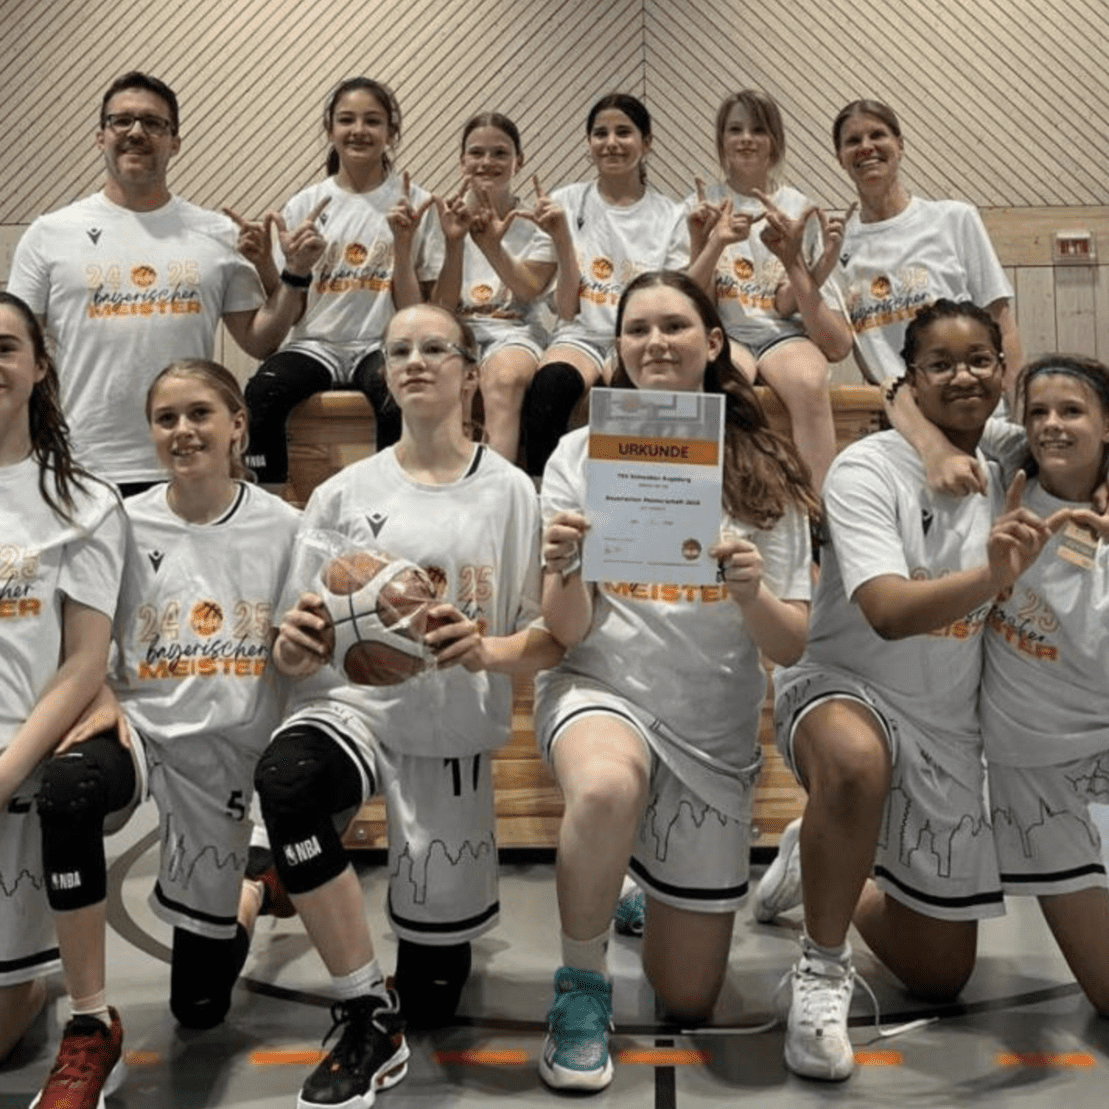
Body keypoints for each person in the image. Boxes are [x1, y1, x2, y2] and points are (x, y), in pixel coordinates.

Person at [256, 303, 561, 1108]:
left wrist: (489, 650)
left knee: (437, 995)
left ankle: (412, 974)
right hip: (356, 709)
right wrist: (294, 649)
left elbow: (548, 635)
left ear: (469, 372)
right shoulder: (343, 494)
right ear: (385, 374)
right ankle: (363, 1005)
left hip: (451, 726)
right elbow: (299, 644)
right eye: (400, 350)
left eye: (436, 348)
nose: (416, 360)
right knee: (287, 782)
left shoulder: (511, 493)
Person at [536, 270, 818, 1091]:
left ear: (715, 342)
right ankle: (580, 987)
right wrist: (564, 566)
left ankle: (632, 884)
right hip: (603, 686)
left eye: (674, 326)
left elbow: (790, 642)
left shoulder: (763, 466)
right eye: (636, 330)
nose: (655, 342)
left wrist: (749, 590)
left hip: (710, 725)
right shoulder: (581, 452)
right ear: (617, 348)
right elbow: (565, 629)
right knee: (604, 788)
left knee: (689, 995)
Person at [759, 300, 1055, 1082]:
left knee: (939, 971)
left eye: (979, 360)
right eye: (940, 364)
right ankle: (819, 975)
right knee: (855, 762)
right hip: (840, 685)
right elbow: (886, 613)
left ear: (1002, 370)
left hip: (946, 725)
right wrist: (990, 574)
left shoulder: (1010, 456)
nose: (963, 374)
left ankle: (814, 864)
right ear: (911, 376)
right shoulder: (866, 468)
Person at [31, 360, 300, 1109]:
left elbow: (305, 654)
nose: (183, 431)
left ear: (237, 423)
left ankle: (250, 884)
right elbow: (79, 633)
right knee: (69, 789)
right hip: (144, 733)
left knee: (199, 1010)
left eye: (199, 414)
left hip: (231, 755)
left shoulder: (285, 528)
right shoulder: (121, 520)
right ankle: (89, 1024)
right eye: (166, 418)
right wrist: (107, 687)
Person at [6, 71, 324, 494]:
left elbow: (261, 341)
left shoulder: (218, 234)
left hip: (188, 465)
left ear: (174, 142)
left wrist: (295, 273)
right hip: (80, 466)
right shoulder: (49, 234)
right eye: (122, 121)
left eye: (153, 123)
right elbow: (16, 348)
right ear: (100, 136)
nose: (136, 132)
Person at [0, 294, 125, 1069]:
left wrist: (9, 767)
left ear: (40, 366)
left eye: (5, 347)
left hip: (19, 759)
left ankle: (50, 992)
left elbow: (85, 663)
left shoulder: (81, 498)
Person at [981, 354, 1109, 1016]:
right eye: (1037, 411)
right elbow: (898, 394)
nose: (1050, 425)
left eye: (1071, 410)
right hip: (1030, 763)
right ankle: (815, 855)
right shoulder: (1003, 472)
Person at [241, 76, 442, 486]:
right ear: (330, 130)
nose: (359, 131)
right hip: (317, 345)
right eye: (346, 120)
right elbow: (291, 310)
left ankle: (392, 508)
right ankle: (271, 509)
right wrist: (278, 264)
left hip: (379, 344)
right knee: (262, 394)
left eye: (372, 121)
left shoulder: (416, 204)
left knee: (396, 397)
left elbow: (415, 313)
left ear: (391, 131)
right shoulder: (306, 205)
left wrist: (402, 244)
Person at [830, 98, 1023, 494]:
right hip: (902, 425)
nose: (866, 146)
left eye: (877, 135)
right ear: (840, 158)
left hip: (979, 417)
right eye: (853, 141)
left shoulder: (953, 219)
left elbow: (1002, 324)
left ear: (900, 145)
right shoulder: (836, 248)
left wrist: (1019, 418)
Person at [687, 90, 853, 490]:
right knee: (723, 382)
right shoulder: (700, 204)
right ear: (721, 141)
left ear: (775, 142)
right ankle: (721, 503)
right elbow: (693, 300)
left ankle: (819, 514)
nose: (746, 138)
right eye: (735, 130)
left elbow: (783, 303)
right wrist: (712, 242)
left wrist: (815, 263)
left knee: (810, 381)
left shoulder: (798, 206)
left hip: (781, 333)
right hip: (724, 333)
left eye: (758, 130)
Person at [520, 93, 688, 476]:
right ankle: (546, 503)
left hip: (636, 336)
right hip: (578, 334)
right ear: (589, 143)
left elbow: (670, 303)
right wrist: (563, 238)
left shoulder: (671, 215)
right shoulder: (564, 202)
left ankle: (627, 504)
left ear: (646, 143)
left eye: (624, 132)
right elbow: (566, 311)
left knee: (627, 393)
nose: (611, 142)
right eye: (601, 133)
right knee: (549, 388)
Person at [430, 112, 560, 463]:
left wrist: (492, 246)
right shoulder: (439, 220)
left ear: (519, 160)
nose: (487, 162)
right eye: (476, 153)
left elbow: (530, 290)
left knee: (502, 380)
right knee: (440, 381)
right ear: (462, 162)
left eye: (500, 153)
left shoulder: (536, 223)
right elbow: (439, 311)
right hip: (456, 332)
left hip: (513, 332)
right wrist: (454, 242)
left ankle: (496, 493)